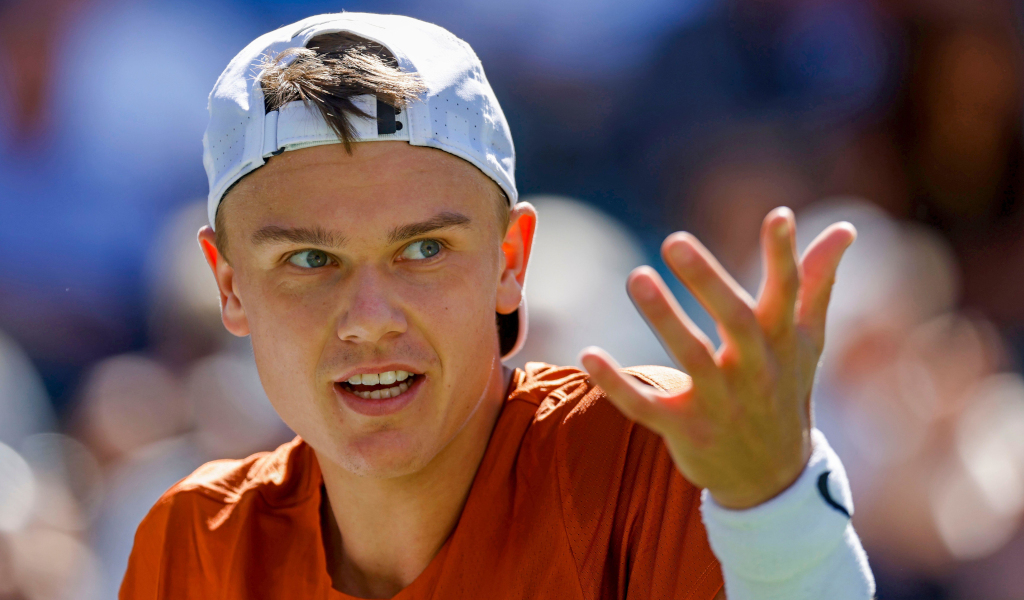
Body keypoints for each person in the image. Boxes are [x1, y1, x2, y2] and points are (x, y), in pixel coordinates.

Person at [120, 13, 875, 599]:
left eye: (423, 250)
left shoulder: (661, 456)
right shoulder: (192, 542)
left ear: (510, 262)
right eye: (310, 260)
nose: (371, 315)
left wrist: (776, 513)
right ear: (228, 286)